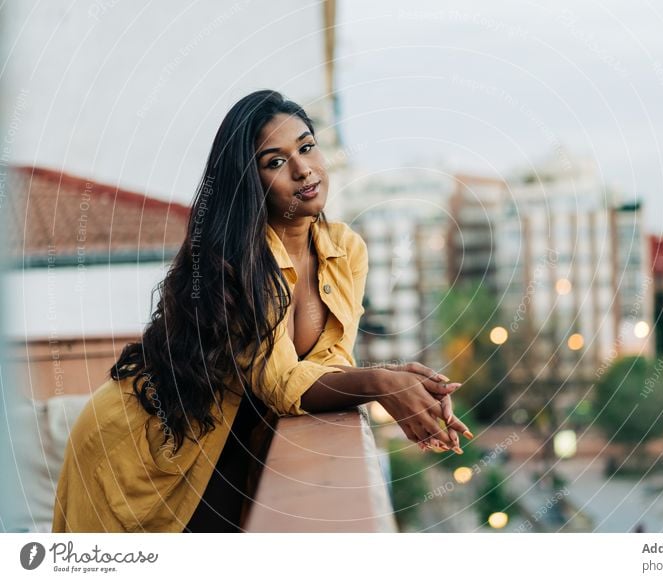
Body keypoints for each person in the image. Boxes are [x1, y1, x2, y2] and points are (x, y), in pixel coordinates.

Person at [52, 90, 471, 532]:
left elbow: (327, 362)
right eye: (275, 162)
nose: (303, 169)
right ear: (248, 183)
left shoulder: (345, 249)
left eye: (307, 147)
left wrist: (396, 377)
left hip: (227, 452)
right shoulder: (238, 260)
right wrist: (381, 383)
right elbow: (281, 382)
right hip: (141, 450)